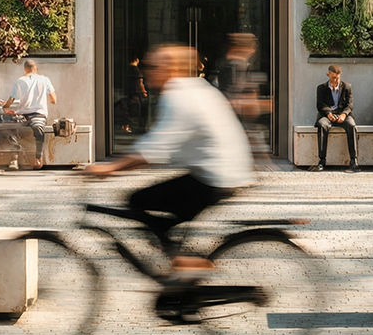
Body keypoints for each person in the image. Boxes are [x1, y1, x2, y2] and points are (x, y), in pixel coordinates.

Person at [84, 45, 254, 271]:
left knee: (139, 200)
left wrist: (110, 168)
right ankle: (179, 259)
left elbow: (156, 148)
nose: (147, 72)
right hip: (222, 169)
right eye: (146, 66)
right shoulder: (191, 87)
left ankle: (181, 262)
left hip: (215, 175)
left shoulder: (178, 96)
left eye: (153, 67)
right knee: (162, 212)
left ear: (170, 69)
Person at [3, 59, 56, 170]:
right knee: (39, 130)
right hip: (39, 115)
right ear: (36, 69)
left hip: (22, 115)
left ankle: (14, 159)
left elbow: (10, 101)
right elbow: (53, 100)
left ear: (24, 69)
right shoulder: (45, 80)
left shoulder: (19, 81)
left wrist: (3, 107)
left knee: (9, 127)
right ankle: (38, 158)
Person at [313, 65, 358, 173]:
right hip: (327, 115)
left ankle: (354, 160)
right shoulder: (321, 88)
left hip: (343, 114)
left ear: (340, 75)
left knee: (352, 126)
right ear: (328, 74)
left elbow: (350, 105)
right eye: (333, 77)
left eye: (337, 78)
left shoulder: (347, 87)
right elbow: (320, 104)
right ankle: (322, 160)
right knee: (322, 125)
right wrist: (328, 113)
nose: (335, 80)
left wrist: (344, 114)